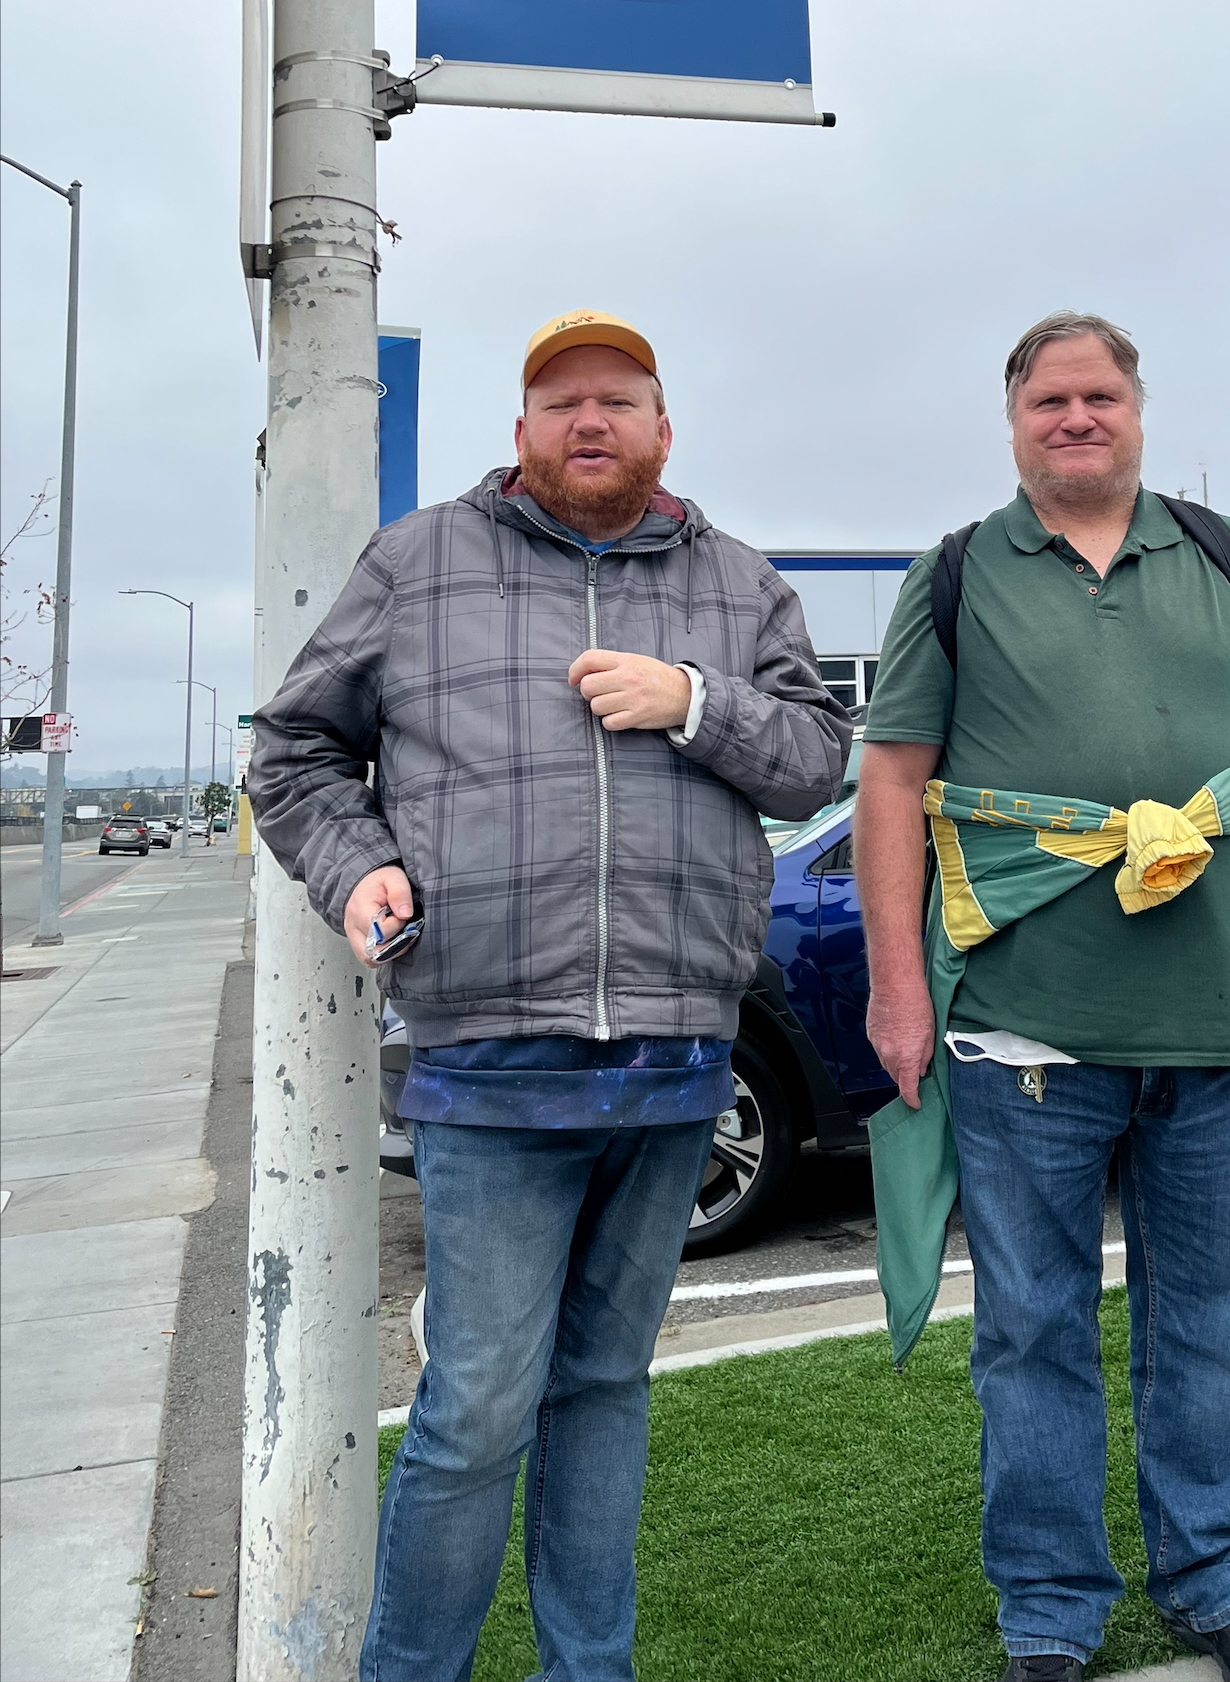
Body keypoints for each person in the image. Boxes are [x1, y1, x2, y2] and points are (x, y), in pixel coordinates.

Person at [249, 308, 850, 1682]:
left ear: (662, 430)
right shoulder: (419, 563)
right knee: (475, 1407)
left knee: (604, 1387)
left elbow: (816, 758)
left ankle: (590, 1670)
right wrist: (357, 867)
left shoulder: (741, 585)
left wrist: (693, 700)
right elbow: (293, 751)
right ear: (520, 430)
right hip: (487, 1058)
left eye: (619, 400)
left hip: (676, 1057)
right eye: (563, 400)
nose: (592, 421)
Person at [855, 311, 1230, 1682]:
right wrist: (896, 988)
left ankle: (1217, 1583)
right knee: (1032, 1333)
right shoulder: (957, 575)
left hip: (1227, 1017)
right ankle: (1049, 1610)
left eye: (1099, 395)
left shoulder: (1226, 558)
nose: (1077, 417)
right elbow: (893, 782)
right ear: (1015, 423)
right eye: (1050, 400)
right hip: (1023, 1033)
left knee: (1214, 1325)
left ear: (1138, 412)